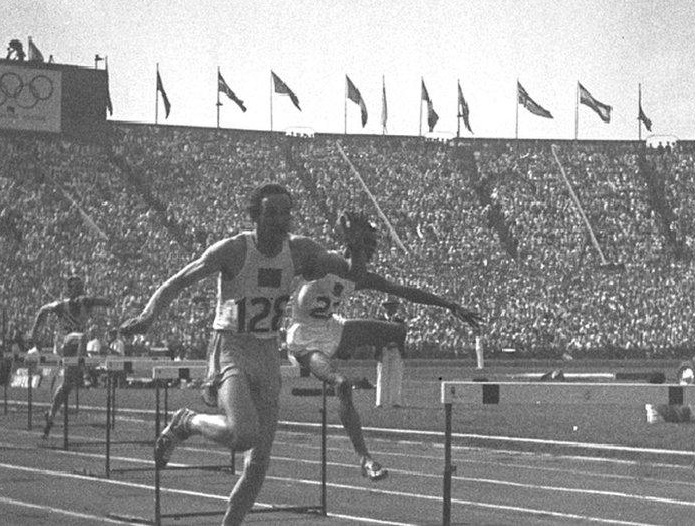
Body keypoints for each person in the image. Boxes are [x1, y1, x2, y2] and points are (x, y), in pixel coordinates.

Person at [119, 183, 372, 526]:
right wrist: (149, 316)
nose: (281, 220)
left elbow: (354, 274)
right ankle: (186, 421)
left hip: (268, 351)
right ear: (255, 217)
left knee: (258, 464)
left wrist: (356, 245)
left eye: (286, 212)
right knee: (244, 434)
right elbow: (179, 281)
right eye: (272, 213)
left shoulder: (299, 251)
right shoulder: (234, 250)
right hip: (231, 347)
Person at [285, 239, 482, 480]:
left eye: (369, 256)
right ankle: (364, 458)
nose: (366, 262)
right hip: (304, 337)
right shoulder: (325, 260)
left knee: (396, 331)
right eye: (363, 255)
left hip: (332, 328)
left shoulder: (362, 278)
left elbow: (404, 292)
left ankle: (357, 353)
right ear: (348, 250)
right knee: (342, 384)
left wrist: (449, 305)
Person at [29, 275, 112, 438]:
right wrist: (34, 332)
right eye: (77, 288)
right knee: (82, 336)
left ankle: (51, 414)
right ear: (70, 290)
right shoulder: (61, 306)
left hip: (75, 349)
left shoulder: (86, 302)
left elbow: (107, 302)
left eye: (82, 287)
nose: (81, 290)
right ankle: (86, 372)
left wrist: (99, 300)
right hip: (62, 343)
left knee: (67, 385)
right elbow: (42, 311)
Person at [375, 299, 406, 408]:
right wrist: (378, 350)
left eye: (394, 307)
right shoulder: (379, 321)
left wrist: (400, 349)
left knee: (396, 375)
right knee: (382, 375)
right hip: (384, 349)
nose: (392, 309)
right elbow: (376, 337)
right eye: (390, 307)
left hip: (395, 349)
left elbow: (402, 337)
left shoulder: (399, 321)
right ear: (386, 308)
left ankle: (395, 401)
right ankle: (380, 402)